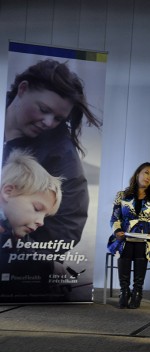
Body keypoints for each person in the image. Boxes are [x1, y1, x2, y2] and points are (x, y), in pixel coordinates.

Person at [3, 59, 101, 254]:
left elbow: (66, 229)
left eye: (58, 118)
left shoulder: (61, 155)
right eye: (44, 109)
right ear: (22, 89)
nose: (48, 122)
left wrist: (13, 246)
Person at [109, 162, 150, 309]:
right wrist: (117, 231)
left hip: (147, 238)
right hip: (125, 235)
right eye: (146, 173)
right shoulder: (121, 196)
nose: (148, 177)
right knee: (125, 246)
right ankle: (124, 291)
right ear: (138, 173)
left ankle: (137, 291)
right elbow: (115, 218)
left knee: (141, 247)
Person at [0, 149, 62, 282]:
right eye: (37, 208)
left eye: (45, 216)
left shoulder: (21, 238)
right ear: (8, 192)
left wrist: (48, 262)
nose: (41, 222)